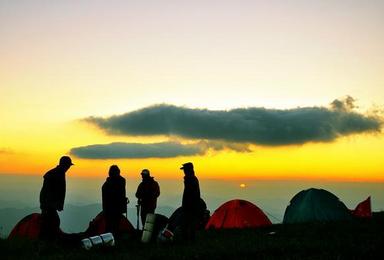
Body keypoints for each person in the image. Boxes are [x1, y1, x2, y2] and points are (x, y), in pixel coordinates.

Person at [39, 156, 74, 240]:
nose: (69, 167)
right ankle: (47, 243)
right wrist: (53, 204)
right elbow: (48, 191)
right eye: (68, 165)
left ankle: (46, 243)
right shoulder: (57, 174)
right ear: (65, 165)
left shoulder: (57, 173)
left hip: (48, 205)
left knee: (51, 223)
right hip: (49, 205)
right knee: (52, 223)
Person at [102, 165, 128, 236]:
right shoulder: (121, 181)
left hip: (109, 208)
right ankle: (114, 237)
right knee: (116, 224)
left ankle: (109, 238)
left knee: (110, 224)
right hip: (117, 207)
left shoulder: (107, 183)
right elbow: (121, 193)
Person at [180, 162, 201, 241]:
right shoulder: (191, 179)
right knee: (189, 224)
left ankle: (187, 241)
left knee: (187, 224)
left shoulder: (190, 179)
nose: (184, 171)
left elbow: (190, 194)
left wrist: (187, 205)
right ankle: (189, 240)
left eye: (185, 170)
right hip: (191, 205)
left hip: (190, 206)